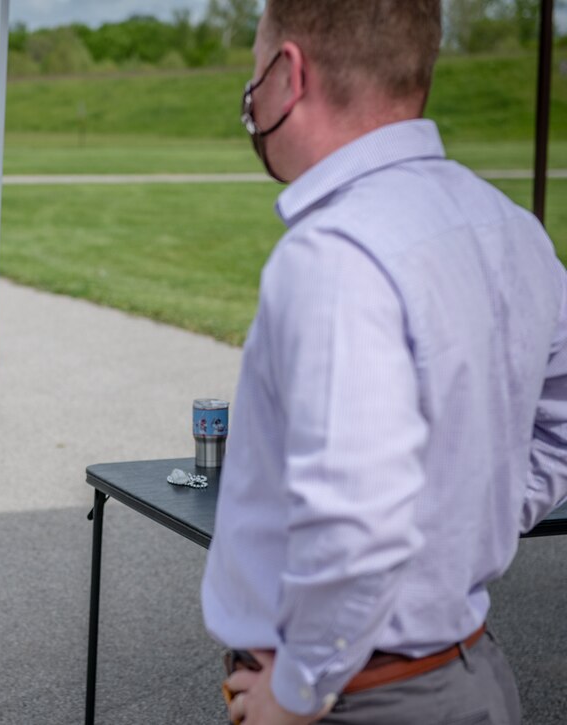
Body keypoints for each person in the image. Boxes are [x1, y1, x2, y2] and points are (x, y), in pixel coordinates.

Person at [200, 2, 567, 724]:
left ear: (288, 75)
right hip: (466, 673)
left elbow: (355, 521)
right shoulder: (512, 226)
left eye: (255, 71)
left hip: (361, 698)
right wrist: (459, 525)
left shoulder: (334, 255)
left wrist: (299, 690)